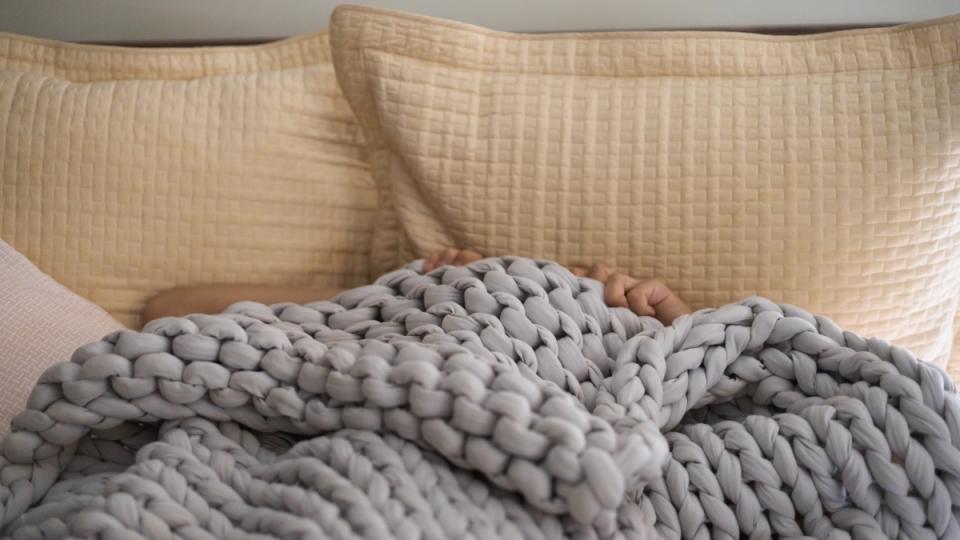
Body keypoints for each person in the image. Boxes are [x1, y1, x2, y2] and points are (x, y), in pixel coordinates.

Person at [143, 248, 692, 325]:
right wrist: (378, 296)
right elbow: (166, 312)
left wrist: (672, 317)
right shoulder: (379, 312)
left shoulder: (626, 325)